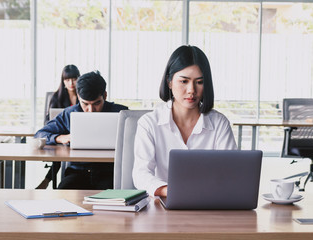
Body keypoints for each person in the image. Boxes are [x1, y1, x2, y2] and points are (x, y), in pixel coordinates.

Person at [132, 45, 237, 197]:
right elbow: (141, 174)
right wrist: (170, 191)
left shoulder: (219, 124)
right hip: (162, 205)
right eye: (184, 81)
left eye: (199, 82)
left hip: (209, 204)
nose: (191, 90)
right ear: (169, 82)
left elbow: (231, 172)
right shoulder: (149, 123)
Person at [35, 71, 128, 189]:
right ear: (78, 96)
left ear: (105, 95)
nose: (91, 110)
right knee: (63, 193)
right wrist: (60, 138)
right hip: (77, 172)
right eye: (85, 104)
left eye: (96, 103)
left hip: (110, 172)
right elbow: (39, 134)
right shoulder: (69, 113)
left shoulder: (121, 113)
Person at [37, 64, 81, 189]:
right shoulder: (57, 97)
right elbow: (48, 122)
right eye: (67, 80)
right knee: (60, 151)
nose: (71, 83)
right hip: (62, 135)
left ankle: (46, 181)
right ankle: (48, 180)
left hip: (78, 135)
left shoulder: (84, 97)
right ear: (63, 81)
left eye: (74, 79)